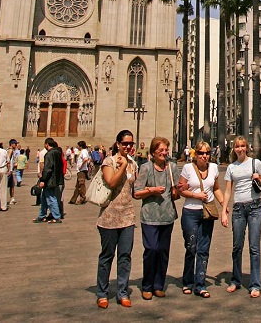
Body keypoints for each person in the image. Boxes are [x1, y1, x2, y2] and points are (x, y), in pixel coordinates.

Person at [94, 130, 138, 309]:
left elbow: (133, 189)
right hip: (109, 216)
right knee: (107, 256)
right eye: (125, 143)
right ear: (118, 144)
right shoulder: (109, 161)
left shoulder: (134, 164)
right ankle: (102, 293)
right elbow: (111, 183)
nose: (128, 146)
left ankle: (122, 292)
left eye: (130, 143)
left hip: (127, 216)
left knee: (125, 256)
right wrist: (122, 166)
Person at [133, 136, 181, 300]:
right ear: (153, 152)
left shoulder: (172, 168)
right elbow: (137, 192)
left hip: (167, 215)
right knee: (151, 249)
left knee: (163, 251)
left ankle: (158, 285)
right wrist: (151, 191)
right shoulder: (145, 168)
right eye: (161, 150)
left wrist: (179, 190)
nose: (164, 153)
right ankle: (147, 285)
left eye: (166, 150)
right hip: (149, 216)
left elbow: (176, 191)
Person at [221, 136, 261, 297]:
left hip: (255, 207)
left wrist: (259, 179)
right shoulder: (231, 167)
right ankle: (236, 280)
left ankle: (255, 284)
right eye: (237, 146)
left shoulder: (255, 163)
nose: (240, 149)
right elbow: (228, 190)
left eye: (242, 146)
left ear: (246, 147)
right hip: (238, 209)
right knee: (237, 246)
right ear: (233, 149)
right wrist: (224, 210)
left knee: (254, 247)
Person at [178, 140, 224, 298]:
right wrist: (195, 195)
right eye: (201, 153)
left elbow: (216, 188)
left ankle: (200, 284)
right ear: (195, 155)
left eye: (207, 153)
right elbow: (180, 190)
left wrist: (224, 204)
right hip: (190, 211)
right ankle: (187, 282)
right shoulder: (187, 168)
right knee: (191, 247)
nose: (204, 156)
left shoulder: (214, 168)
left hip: (207, 212)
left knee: (203, 249)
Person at [34, 137, 64, 223]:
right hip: (55, 178)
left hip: (50, 180)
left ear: (47, 144)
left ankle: (56, 216)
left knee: (51, 198)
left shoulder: (49, 154)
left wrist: (43, 180)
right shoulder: (58, 153)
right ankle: (41, 215)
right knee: (44, 198)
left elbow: (48, 168)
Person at [70, 140, 90, 205]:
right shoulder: (83, 151)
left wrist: (81, 166)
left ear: (80, 146)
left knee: (81, 184)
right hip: (80, 170)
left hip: (82, 170)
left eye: (78, 145)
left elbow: (86, 159)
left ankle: (82, 198)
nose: (77, 147)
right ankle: (73, 199)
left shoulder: (84, 151)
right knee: (78, 185)